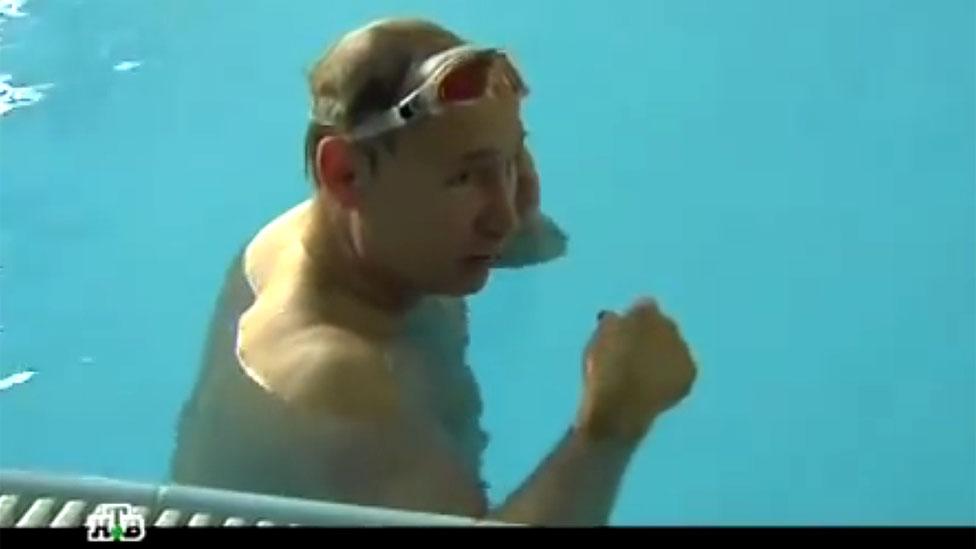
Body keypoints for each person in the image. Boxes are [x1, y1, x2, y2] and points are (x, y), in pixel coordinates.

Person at [169, 17, 697, 526]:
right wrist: (609, 428)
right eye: (465, 177)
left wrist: (501, 183)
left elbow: (535, 239)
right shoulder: (334, 379)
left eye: (512, 162)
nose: (504, 214)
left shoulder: (349, 233)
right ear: (345, 174)